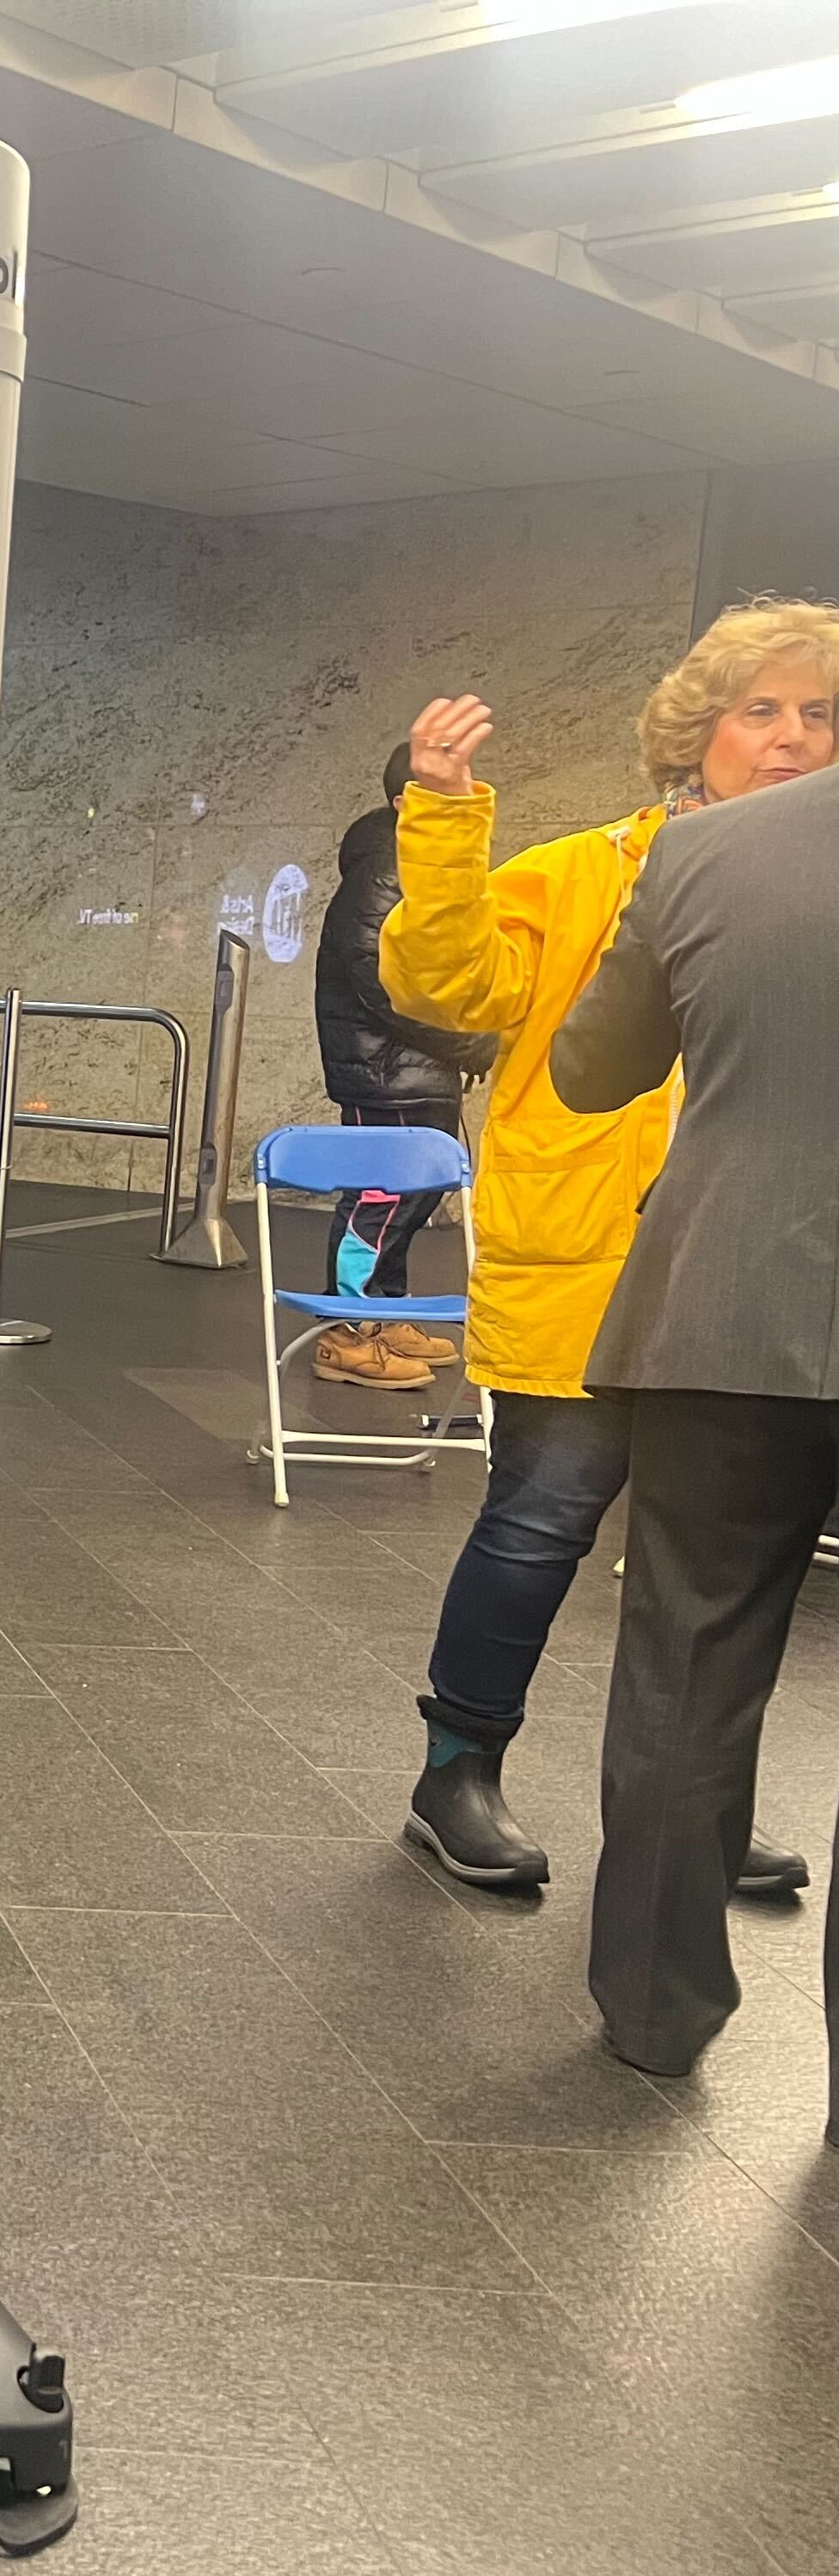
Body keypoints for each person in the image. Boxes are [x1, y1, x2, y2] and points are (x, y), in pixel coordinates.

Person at [380, 599, 839, 1889]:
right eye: (762, 712)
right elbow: (445, 987)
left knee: (725, 1558)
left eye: (820, 714)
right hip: (592, 1253)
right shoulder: (590, 872)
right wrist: (444, 814)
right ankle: (455, 1774)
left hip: (759, 1274)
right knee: (541, 1520)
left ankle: (690, 1808)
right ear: (701, 736)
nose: (793, 739)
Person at [549, 748, 839, 2080]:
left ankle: (655, 2013)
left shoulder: (704, 850)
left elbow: (593, 1068)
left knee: (687, 1658)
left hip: (725, 1298)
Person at [309, 740, 491, 1389]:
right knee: (381, 1198)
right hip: (386, 1066)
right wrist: (465, 1042)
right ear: (404, 801)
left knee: (410, 1196)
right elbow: (382, 980)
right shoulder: (387, 863)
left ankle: (381, 1314)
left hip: (409, 1064)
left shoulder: (411, 861)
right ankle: (347, 1331)